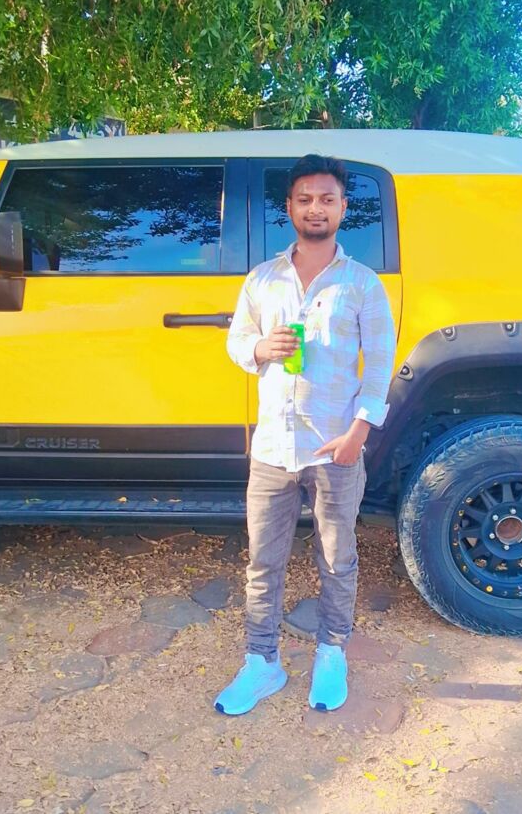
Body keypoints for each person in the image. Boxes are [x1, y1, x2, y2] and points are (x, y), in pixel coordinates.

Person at [214, 154, 395, 715]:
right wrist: (258, 348)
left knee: (337, 558)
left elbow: (380, 363)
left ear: (343, 207)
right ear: (290, 207)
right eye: (305, 199)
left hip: (335, 446)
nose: (316, 208)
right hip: (274, 446)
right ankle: (261, 662)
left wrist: (358, 433)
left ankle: (331, 653)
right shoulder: (262, 279)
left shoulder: (362, 284)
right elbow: (237, 340)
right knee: (262, 562)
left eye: (327, 199)